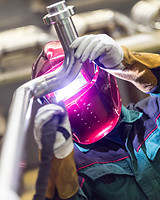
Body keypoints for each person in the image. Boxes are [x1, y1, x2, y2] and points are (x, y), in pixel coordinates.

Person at [32, 34, 160, 200]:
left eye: (75, 78)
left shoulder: (153, 117)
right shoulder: (74, 168)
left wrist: (127, 63)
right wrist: (57, 161)